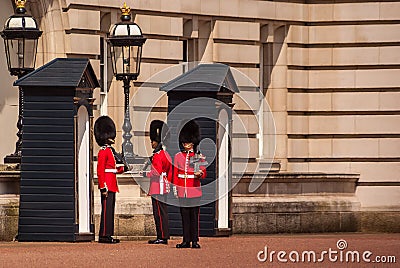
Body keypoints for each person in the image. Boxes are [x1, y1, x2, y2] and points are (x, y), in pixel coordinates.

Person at [173, 120, 207, 249]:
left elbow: (204, 173)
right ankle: (186, 240)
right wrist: (176, 189)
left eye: (186, 142)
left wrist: (199, 174)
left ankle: (195, 240)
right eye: (184, 142)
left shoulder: (198, 156)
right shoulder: (178, 156)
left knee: (194, 217)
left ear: (192, 142)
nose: (184, 144)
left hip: (194, 190)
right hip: (183, 190)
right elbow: (176, 174)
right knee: (185, 217)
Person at [94, 115, 126, 244]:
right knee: (107, 211)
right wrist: (103, 187)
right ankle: (104, 235)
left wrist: (122, 169)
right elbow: (101, 171)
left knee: (110, 210)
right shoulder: (103, 151)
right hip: (107, 184)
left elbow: (111, 168)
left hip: (112, 183)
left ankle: (108, 234)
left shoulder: (110, 151)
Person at [143, 120, 172, 245]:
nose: (151, 143)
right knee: (162, 212)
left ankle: (162, 236)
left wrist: (144, 173)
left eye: (152, 141)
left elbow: (156, 172)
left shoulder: (158, 156)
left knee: (159, 213)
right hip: (163, 185)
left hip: (158, 186)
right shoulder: (165, 154)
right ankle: (163, 235)